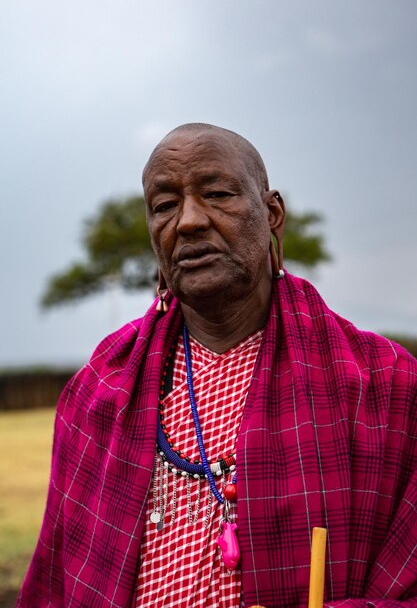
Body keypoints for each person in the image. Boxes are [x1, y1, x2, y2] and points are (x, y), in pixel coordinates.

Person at [17, 123, 417, 608]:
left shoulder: (386, 384)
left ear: (272, 213)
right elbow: (54, 590)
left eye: (218, 194)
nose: (188, 221)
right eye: (164, 206)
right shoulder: (97, 392)